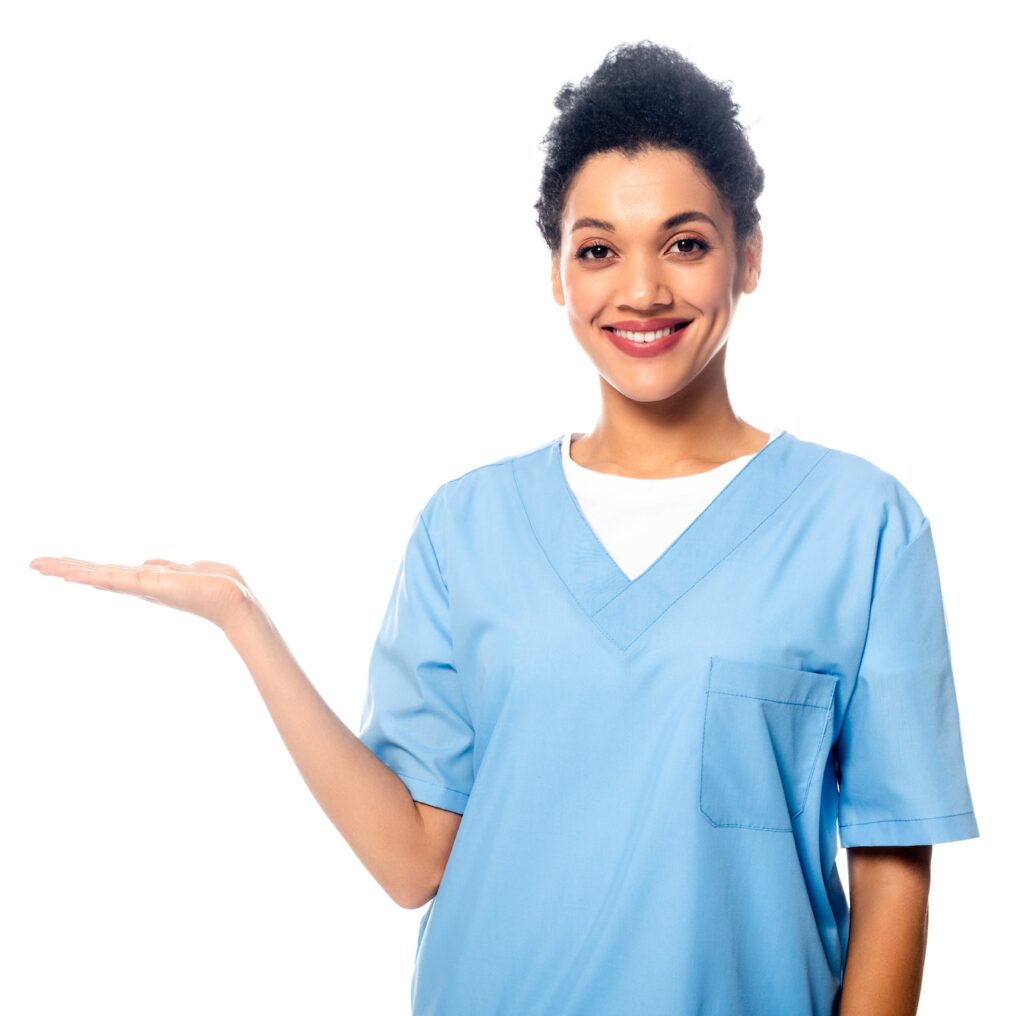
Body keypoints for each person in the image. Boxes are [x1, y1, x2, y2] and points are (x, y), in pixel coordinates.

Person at [29, 39, 979, 1016]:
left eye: (685, 242)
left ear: (750, 256)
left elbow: (894, 869)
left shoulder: (860, 526)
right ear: (558, 274)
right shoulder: (467, 527)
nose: (641, 288)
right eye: (598, 248)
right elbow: (409, 861)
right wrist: (245, 624)